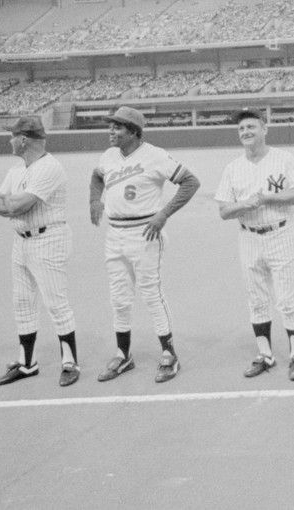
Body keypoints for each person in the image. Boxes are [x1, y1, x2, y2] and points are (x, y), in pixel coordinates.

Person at [90, 106, 200, 382]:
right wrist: (95, 200)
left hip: (144, 232)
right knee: (119, 298)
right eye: (111, 126)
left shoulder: (155, 155)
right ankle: (123, 355)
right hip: (115, 234)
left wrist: (163, 214)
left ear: (133, 132)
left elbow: (190, 182)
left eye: (117, 127)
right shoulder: (109, 155)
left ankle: (169, 354)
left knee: (151, 293)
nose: (111, 131)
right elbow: (97, 175)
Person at [215, 108, 294, 381]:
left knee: (288, 300)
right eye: (242, 129)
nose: (246, 132)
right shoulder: (233, 168)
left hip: (282, 233)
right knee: (256, 299)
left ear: (264, 129)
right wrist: (244, 204)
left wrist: (268, 198)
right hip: (248, 236)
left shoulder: (283, 159)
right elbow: (223, 210)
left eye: (251, 127)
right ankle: (265, 354)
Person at [0, 116, 80, 388]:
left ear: (24, 139)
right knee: (22, 302)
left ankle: (70, 362)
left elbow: (23, 204)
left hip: (48, 238)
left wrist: (12, 204)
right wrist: (12, 204)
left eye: (13, 136)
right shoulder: (16, 170)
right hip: (21, 240)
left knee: (56, 302)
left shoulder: (49, 167)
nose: (9, 141)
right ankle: (27, 363)